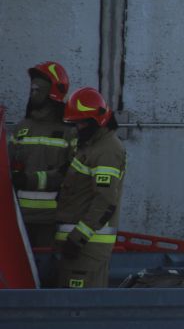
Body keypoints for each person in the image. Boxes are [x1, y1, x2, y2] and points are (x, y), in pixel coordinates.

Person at [52, 87, 126, 289]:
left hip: (87, 248)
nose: (77, 128)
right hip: (79, 247)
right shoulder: (90, 147)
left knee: (76, 312)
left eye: (81, 123)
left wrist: (77, 238)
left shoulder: (107, 150)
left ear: (97, 121)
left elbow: (105, 201)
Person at [9, 61, 75, 265]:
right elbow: (8, 168)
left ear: (53, 92)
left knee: (47, 272)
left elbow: (71, 174)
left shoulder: (69, 132)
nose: (33, 92)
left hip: (51, 220)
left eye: (39, 88)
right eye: (33, 87)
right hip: (19, 220)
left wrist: (29, 180)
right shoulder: (21, 128)